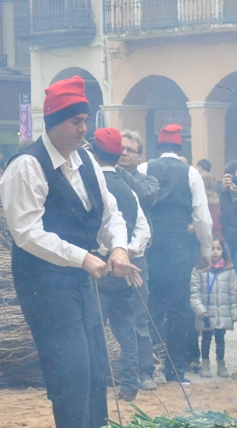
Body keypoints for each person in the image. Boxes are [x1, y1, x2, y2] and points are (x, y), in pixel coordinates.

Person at [0, 75, 142, 428]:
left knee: (96, 364)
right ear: (56, 122)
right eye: (78, 122)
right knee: (71, 372)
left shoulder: (87, 164)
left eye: (86, 121)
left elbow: (111, 213)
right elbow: (27, 232)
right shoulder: (26, 166)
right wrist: (83, 256)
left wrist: (118, 246)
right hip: (44, 284)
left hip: (81, 277)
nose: (84, 130)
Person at [138, 123, 214, 384]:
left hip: (151, 245)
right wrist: (206, 249)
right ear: (181, 147)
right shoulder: (191, 172)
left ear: (159, 147)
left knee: (152, 307)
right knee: (180, 309)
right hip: (180, 247)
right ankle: (176, 371)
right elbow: (202, 217)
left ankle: (147, 370)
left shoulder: (144, 168)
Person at [89, 127, 152, 402]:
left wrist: (109, 252)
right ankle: (129, 383)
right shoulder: (129, 189)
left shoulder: (89, 186)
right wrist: (126, 254)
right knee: (126, 330)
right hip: (125, 271)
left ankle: (96, 383)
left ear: (92, 152)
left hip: (96, 268)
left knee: (93, 329)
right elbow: (144, 230)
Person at [189, 237, 237, 378]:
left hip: (222, 314)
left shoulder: (229, 271)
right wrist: (200, 310)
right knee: (206, 339)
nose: (215, 252)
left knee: (220, 339)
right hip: (206, 314)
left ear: (223, 251)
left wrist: (235, 313)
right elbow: (194, 294)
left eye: (218, 249)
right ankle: (205, 364)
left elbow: (233, 293)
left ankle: (221, 363)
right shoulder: (199, 270)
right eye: (211, 249)